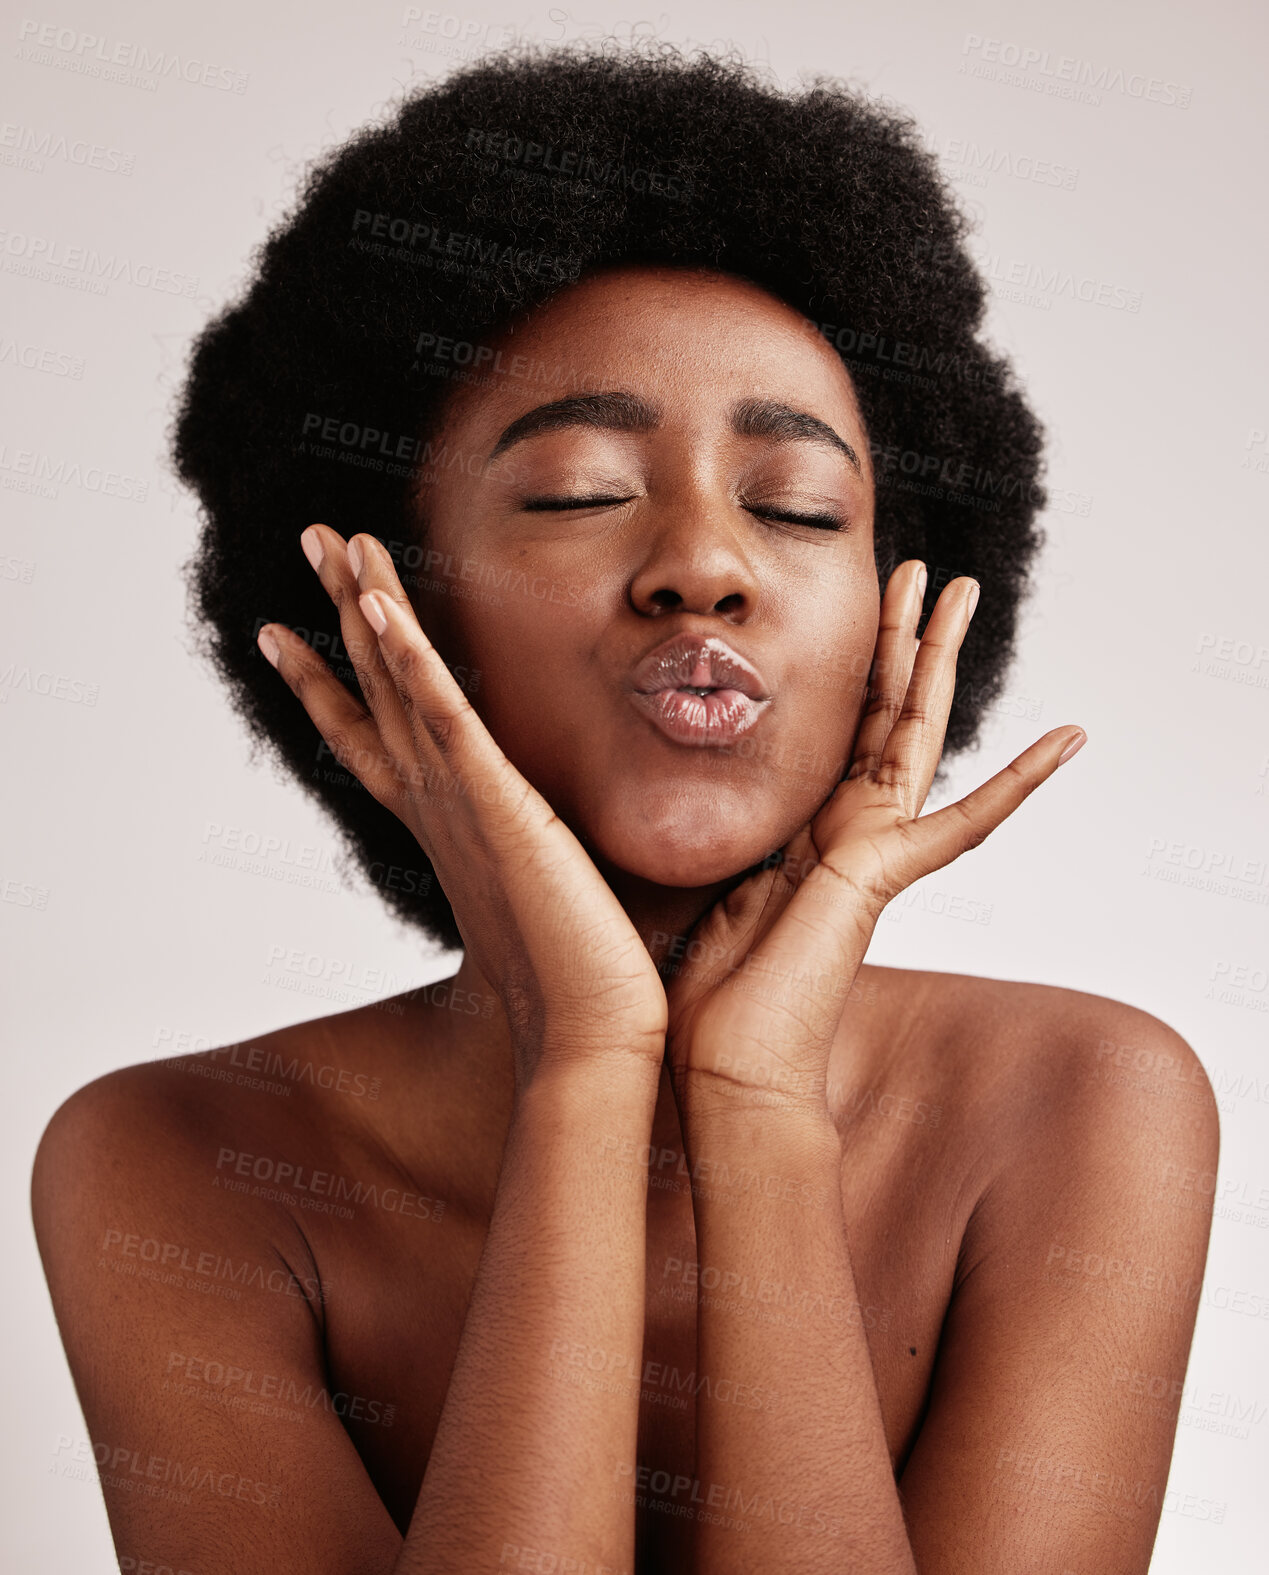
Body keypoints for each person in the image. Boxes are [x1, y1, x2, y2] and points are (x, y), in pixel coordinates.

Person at [32, 38, 1218, 1575]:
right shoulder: (176, 1160)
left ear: (897, 611)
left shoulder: (1078, 1105)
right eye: (580, 491)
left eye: (794, 509)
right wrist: (585, 1067)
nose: (702, 566)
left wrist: (753, 1109)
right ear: (377, 599)